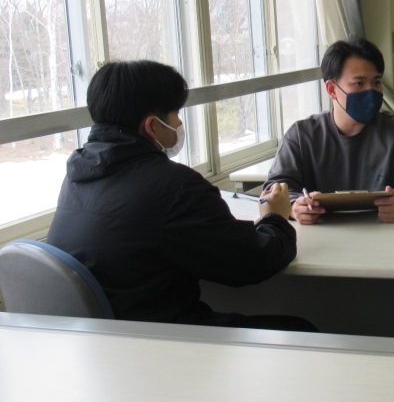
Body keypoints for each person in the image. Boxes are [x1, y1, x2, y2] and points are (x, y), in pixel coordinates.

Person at [47, 60, 315, 332]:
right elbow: (255, 262)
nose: (179, 122)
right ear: (152, 126)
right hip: (161, 339)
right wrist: (275, 218)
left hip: (96, 339)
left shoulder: (76, 176)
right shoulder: (174, 186)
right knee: (300, 331)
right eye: (175, 113)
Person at [264, 37, 394, 224]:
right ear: (332, 89)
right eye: (359, 83)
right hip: (321, 235)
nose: (371, 91)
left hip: (385, 232)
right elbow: (274, 189)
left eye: (377, 82)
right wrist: (294, 207)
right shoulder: (301, 136)